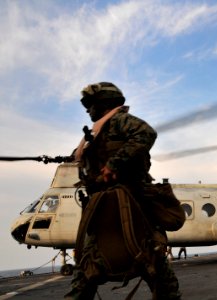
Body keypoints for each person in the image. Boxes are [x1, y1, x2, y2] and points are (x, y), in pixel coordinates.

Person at [65, 82, 181, 299]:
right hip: (103, 206)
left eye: (91, 105)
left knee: (152, 263)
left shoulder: (119, 120)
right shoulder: (98, 132)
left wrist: (114, 164)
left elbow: (146, 133)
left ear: (104, 104)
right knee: (87, 266)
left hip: (131, 203)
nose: (88, 111)